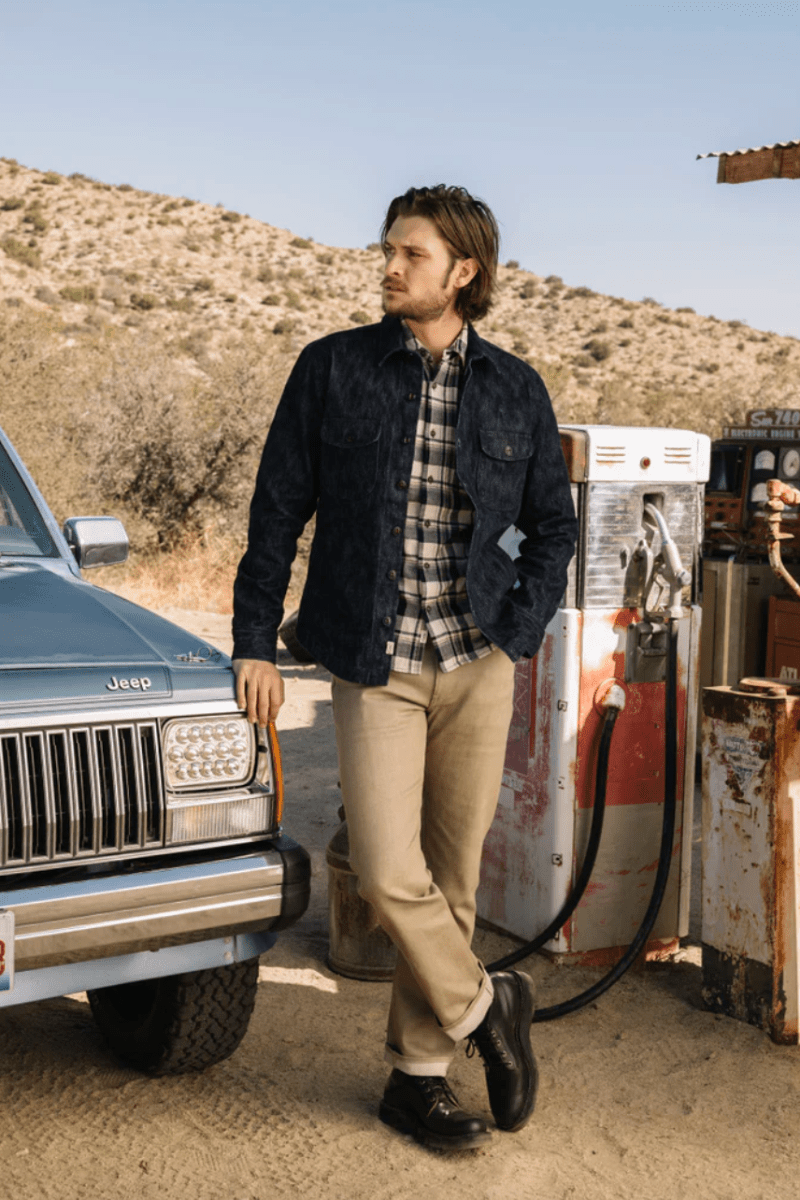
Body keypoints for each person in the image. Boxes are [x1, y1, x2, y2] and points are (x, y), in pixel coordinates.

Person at [232, 184, 578, 1151]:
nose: (389, 266)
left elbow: (555, 529)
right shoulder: (332, 368)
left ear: (462, 271)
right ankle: (483, 1008)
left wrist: (518, 632)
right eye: (388, 249)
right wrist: (253, 639)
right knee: (388, 873)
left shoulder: (516, 388)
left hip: (477, 658)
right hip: (373, 657)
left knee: (453, 881)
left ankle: (418, 1079)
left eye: (410, 253)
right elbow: (276, 512)